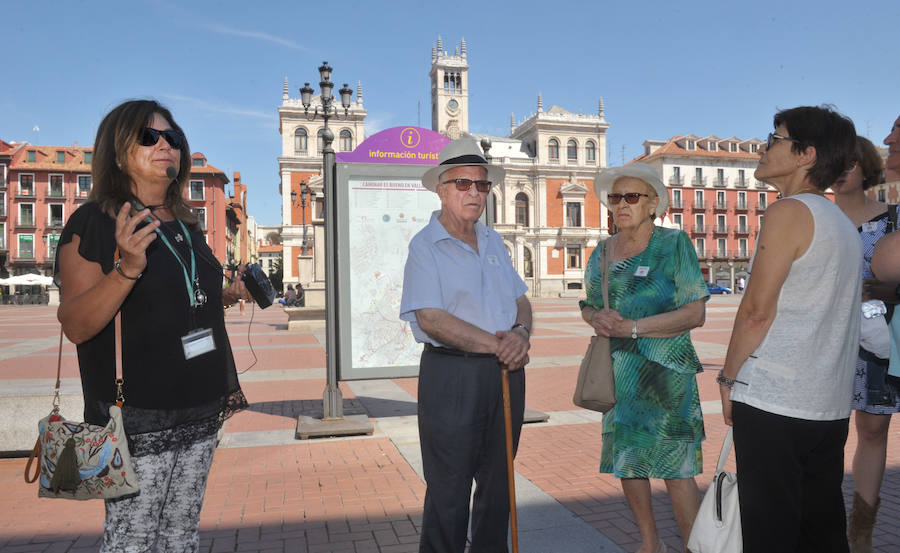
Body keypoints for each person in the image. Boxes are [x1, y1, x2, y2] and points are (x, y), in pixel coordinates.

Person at [55, 99, 249, 552]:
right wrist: (127, 266)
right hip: (138, 415)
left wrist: (226, 294)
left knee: (181, 537)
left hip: (199, 404)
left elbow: (180, 299)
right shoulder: (96, 222)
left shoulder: (185, 223)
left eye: (173, 138)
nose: (165, 145)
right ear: (119, 152)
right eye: (149, 136)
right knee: (133, 542)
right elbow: (77, 324)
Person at [719, 106, 860, 552]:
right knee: (820, 527)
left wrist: (727, 377)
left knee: (770, 529)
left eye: (775, 138)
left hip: (775, 401)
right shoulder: (842, 223)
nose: (764, 147)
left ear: (806, 154)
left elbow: (757, 311)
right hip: (828, 403)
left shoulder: (788, 213)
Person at [400, 137, 531, 553]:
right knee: (449, 491)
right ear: (441, 188)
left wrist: (522, 335)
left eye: (482, 185)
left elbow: (520, 301)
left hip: (506, 375)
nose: (474, 192)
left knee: (498, 486)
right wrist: (498, 345)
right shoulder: (425, 246)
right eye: (463, 183)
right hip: (452, 375)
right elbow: (430, 318)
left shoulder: (494, 241)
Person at [583, 162, 709, 553]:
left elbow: (696, 313)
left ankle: (693, 547)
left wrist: (634, 328)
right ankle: (649, 543)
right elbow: (587, 305)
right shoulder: (603, 252)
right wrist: (596, 317)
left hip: (667, 375)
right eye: (615, 198)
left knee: (677, 468)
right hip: (620, 373)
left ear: (653, 204)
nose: (621, 204)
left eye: (631, 197)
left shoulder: (674, 244)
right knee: (630, 462)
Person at [842, 124, 900, 553]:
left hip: (876, 337)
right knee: (822, 430)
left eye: (852, 163)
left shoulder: (891, 219)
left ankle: (861, 528)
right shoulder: (812, 217)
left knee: (873, 429)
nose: (842, 171)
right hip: (824, 338)